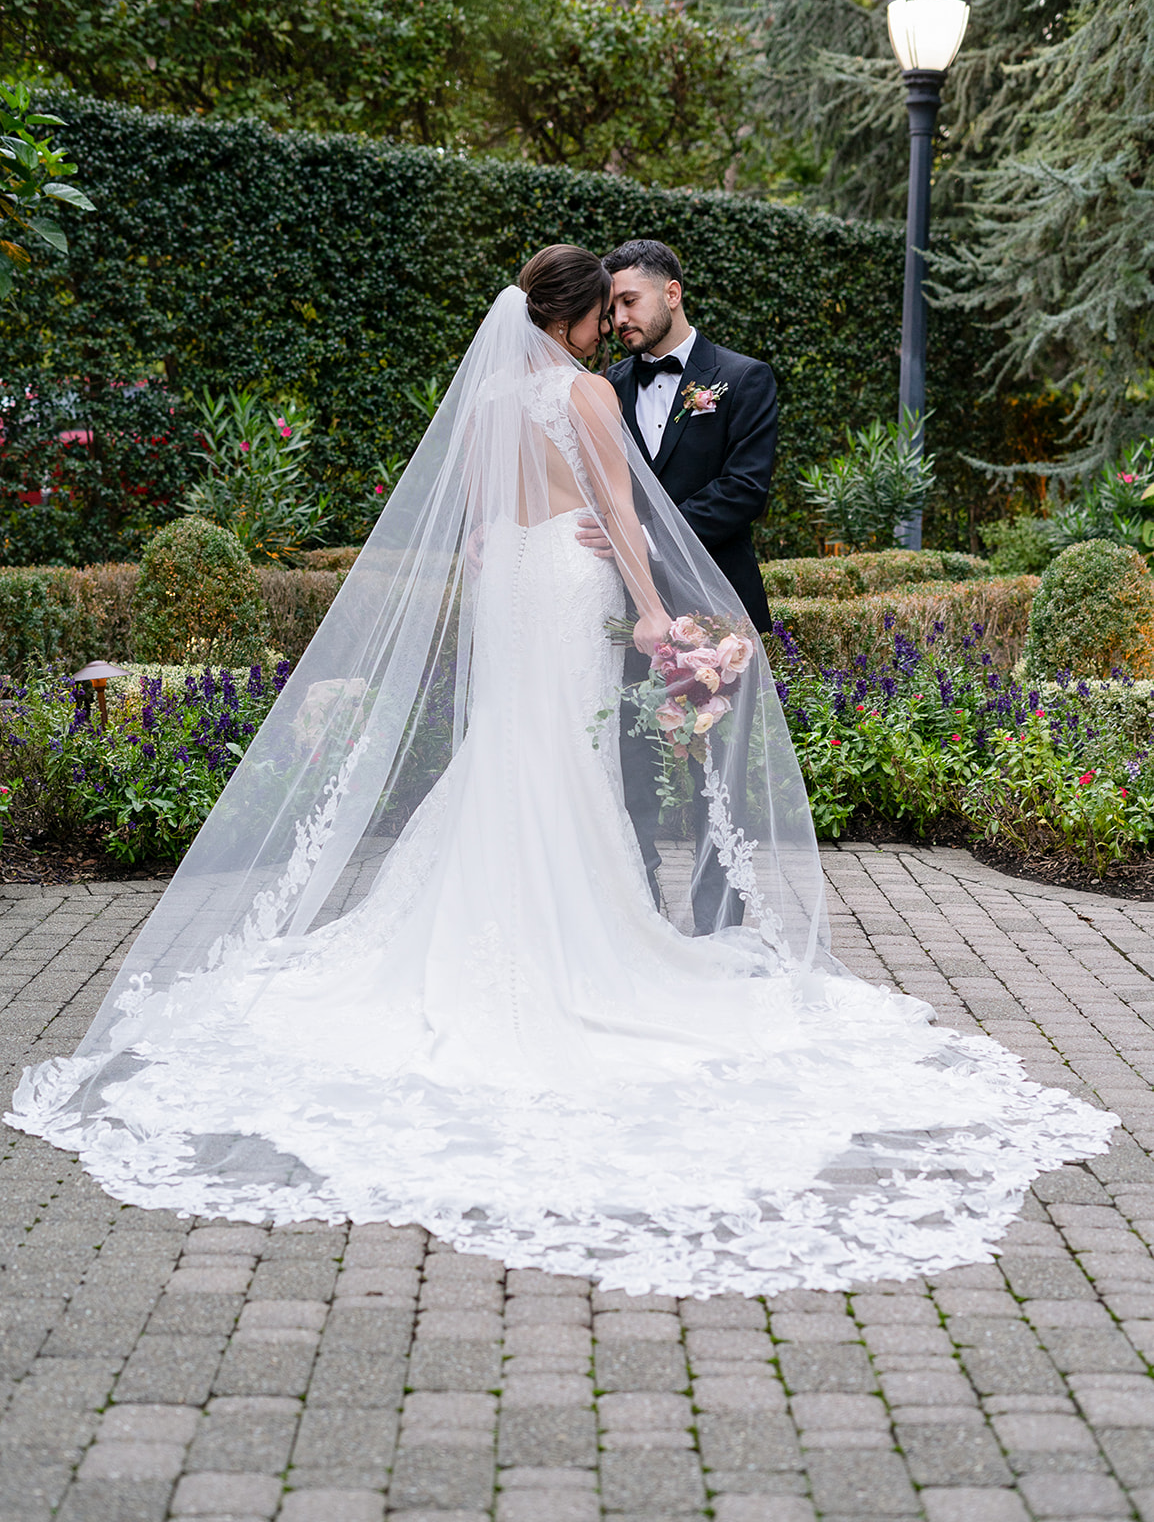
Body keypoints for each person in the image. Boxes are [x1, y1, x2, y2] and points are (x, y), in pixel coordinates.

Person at [8, 245, 1115, 1300]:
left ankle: (481, 925)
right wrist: (651, 613)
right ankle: (570, 947)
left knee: (512, 746)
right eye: (602, 316)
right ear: (578, 317)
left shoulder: (489, 403)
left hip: (510, 590)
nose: (609, 332)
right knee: (562, 755)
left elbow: (482, 525)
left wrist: (515, 553)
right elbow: (623, 518)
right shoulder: (585, 396)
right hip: (569, 585)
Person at [577, 240, 777, 930]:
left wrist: (648, 534)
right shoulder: (606, 387)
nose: (618, 320)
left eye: (628, 301)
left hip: (717, 612)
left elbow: (744, 490)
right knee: (629, 768)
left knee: (718, 778)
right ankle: (642, 918)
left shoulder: (745, 379)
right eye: (609, 309)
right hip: (625, 609)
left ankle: (720, 928)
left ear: (672, 292)